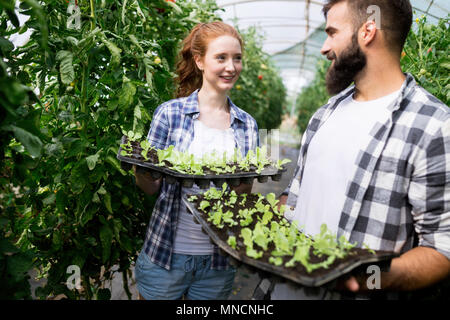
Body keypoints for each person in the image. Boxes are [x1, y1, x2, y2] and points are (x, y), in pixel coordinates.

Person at [257, 0, 450, 300]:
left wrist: (366, 280)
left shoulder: (433, 126)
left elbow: (441, 248)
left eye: (332, 32)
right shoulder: (325, 114)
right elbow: (296, 197)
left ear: (368, 31)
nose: (324, 47)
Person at [133, 21, 259, 300]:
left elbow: (242, 195)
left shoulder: (247, 125)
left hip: (218, 261)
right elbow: (150, 188)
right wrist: (142, 171)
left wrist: (241, 181)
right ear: (200, 61)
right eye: (221, 57)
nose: (231, 67)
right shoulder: (169, 114)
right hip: (166, 256)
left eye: (237, 58)